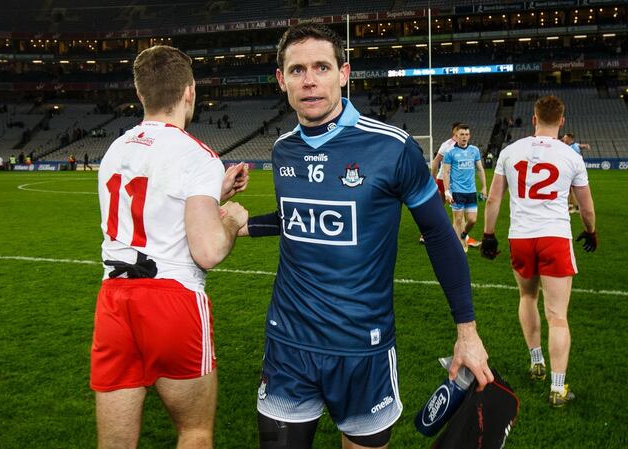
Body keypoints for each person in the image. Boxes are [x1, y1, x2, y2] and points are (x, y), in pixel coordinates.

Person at [242, 23, 494, 449]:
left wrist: (467, 332)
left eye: (321, 67)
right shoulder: (284, 149)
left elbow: (438, 234)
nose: (309, 80)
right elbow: (295, 217)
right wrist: (244, 224)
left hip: (364, 349)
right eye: (297, 70)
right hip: (288, 345)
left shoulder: (392, 147)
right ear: (281, 80)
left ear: (343, 73)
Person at [91, 45, 250, 449]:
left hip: (114, 299)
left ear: (140, 93)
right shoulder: (196, 154)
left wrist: (211, 192)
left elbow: (154, 205)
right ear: (190, 92)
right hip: (171, 298)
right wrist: (231, 219)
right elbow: (208, 251)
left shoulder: (115, 149)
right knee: (194, 431)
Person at [481, 95, 597, 408]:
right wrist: (591, 230)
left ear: (533, 119)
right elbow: (586, 206)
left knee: (527, 297)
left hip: (521, 237)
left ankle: (536, 361)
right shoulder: (571, 155)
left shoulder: (510, 151)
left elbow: (493, 199)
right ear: (562, 120)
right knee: (557, 316)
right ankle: (558, 389)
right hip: (554, 237)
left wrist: (488, 235)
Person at [443, 124, 488, 253]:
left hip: (471, 192)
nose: (464, 137)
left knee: (472, 220)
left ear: (469, 136)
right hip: (457, 191)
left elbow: (480, 169)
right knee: (458, 219)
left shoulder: (474, 150)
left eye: (466, 134)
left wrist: (484, 187)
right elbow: (446, 172)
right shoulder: (450, 152)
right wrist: (447, 191)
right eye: (461, 134)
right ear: (456, 136)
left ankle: (463, 234)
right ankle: (460, 247)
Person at [560, 133, 589, 213]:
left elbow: (580, 146)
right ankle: (573, 206)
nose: (563, 138)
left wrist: (585, 146)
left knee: (573, 189)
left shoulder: (575, 146)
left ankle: (575, 207)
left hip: (574, 170)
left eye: (565, 137)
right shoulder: (565, 146)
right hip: (569, 169)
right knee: (570, 189)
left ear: (570, 138)